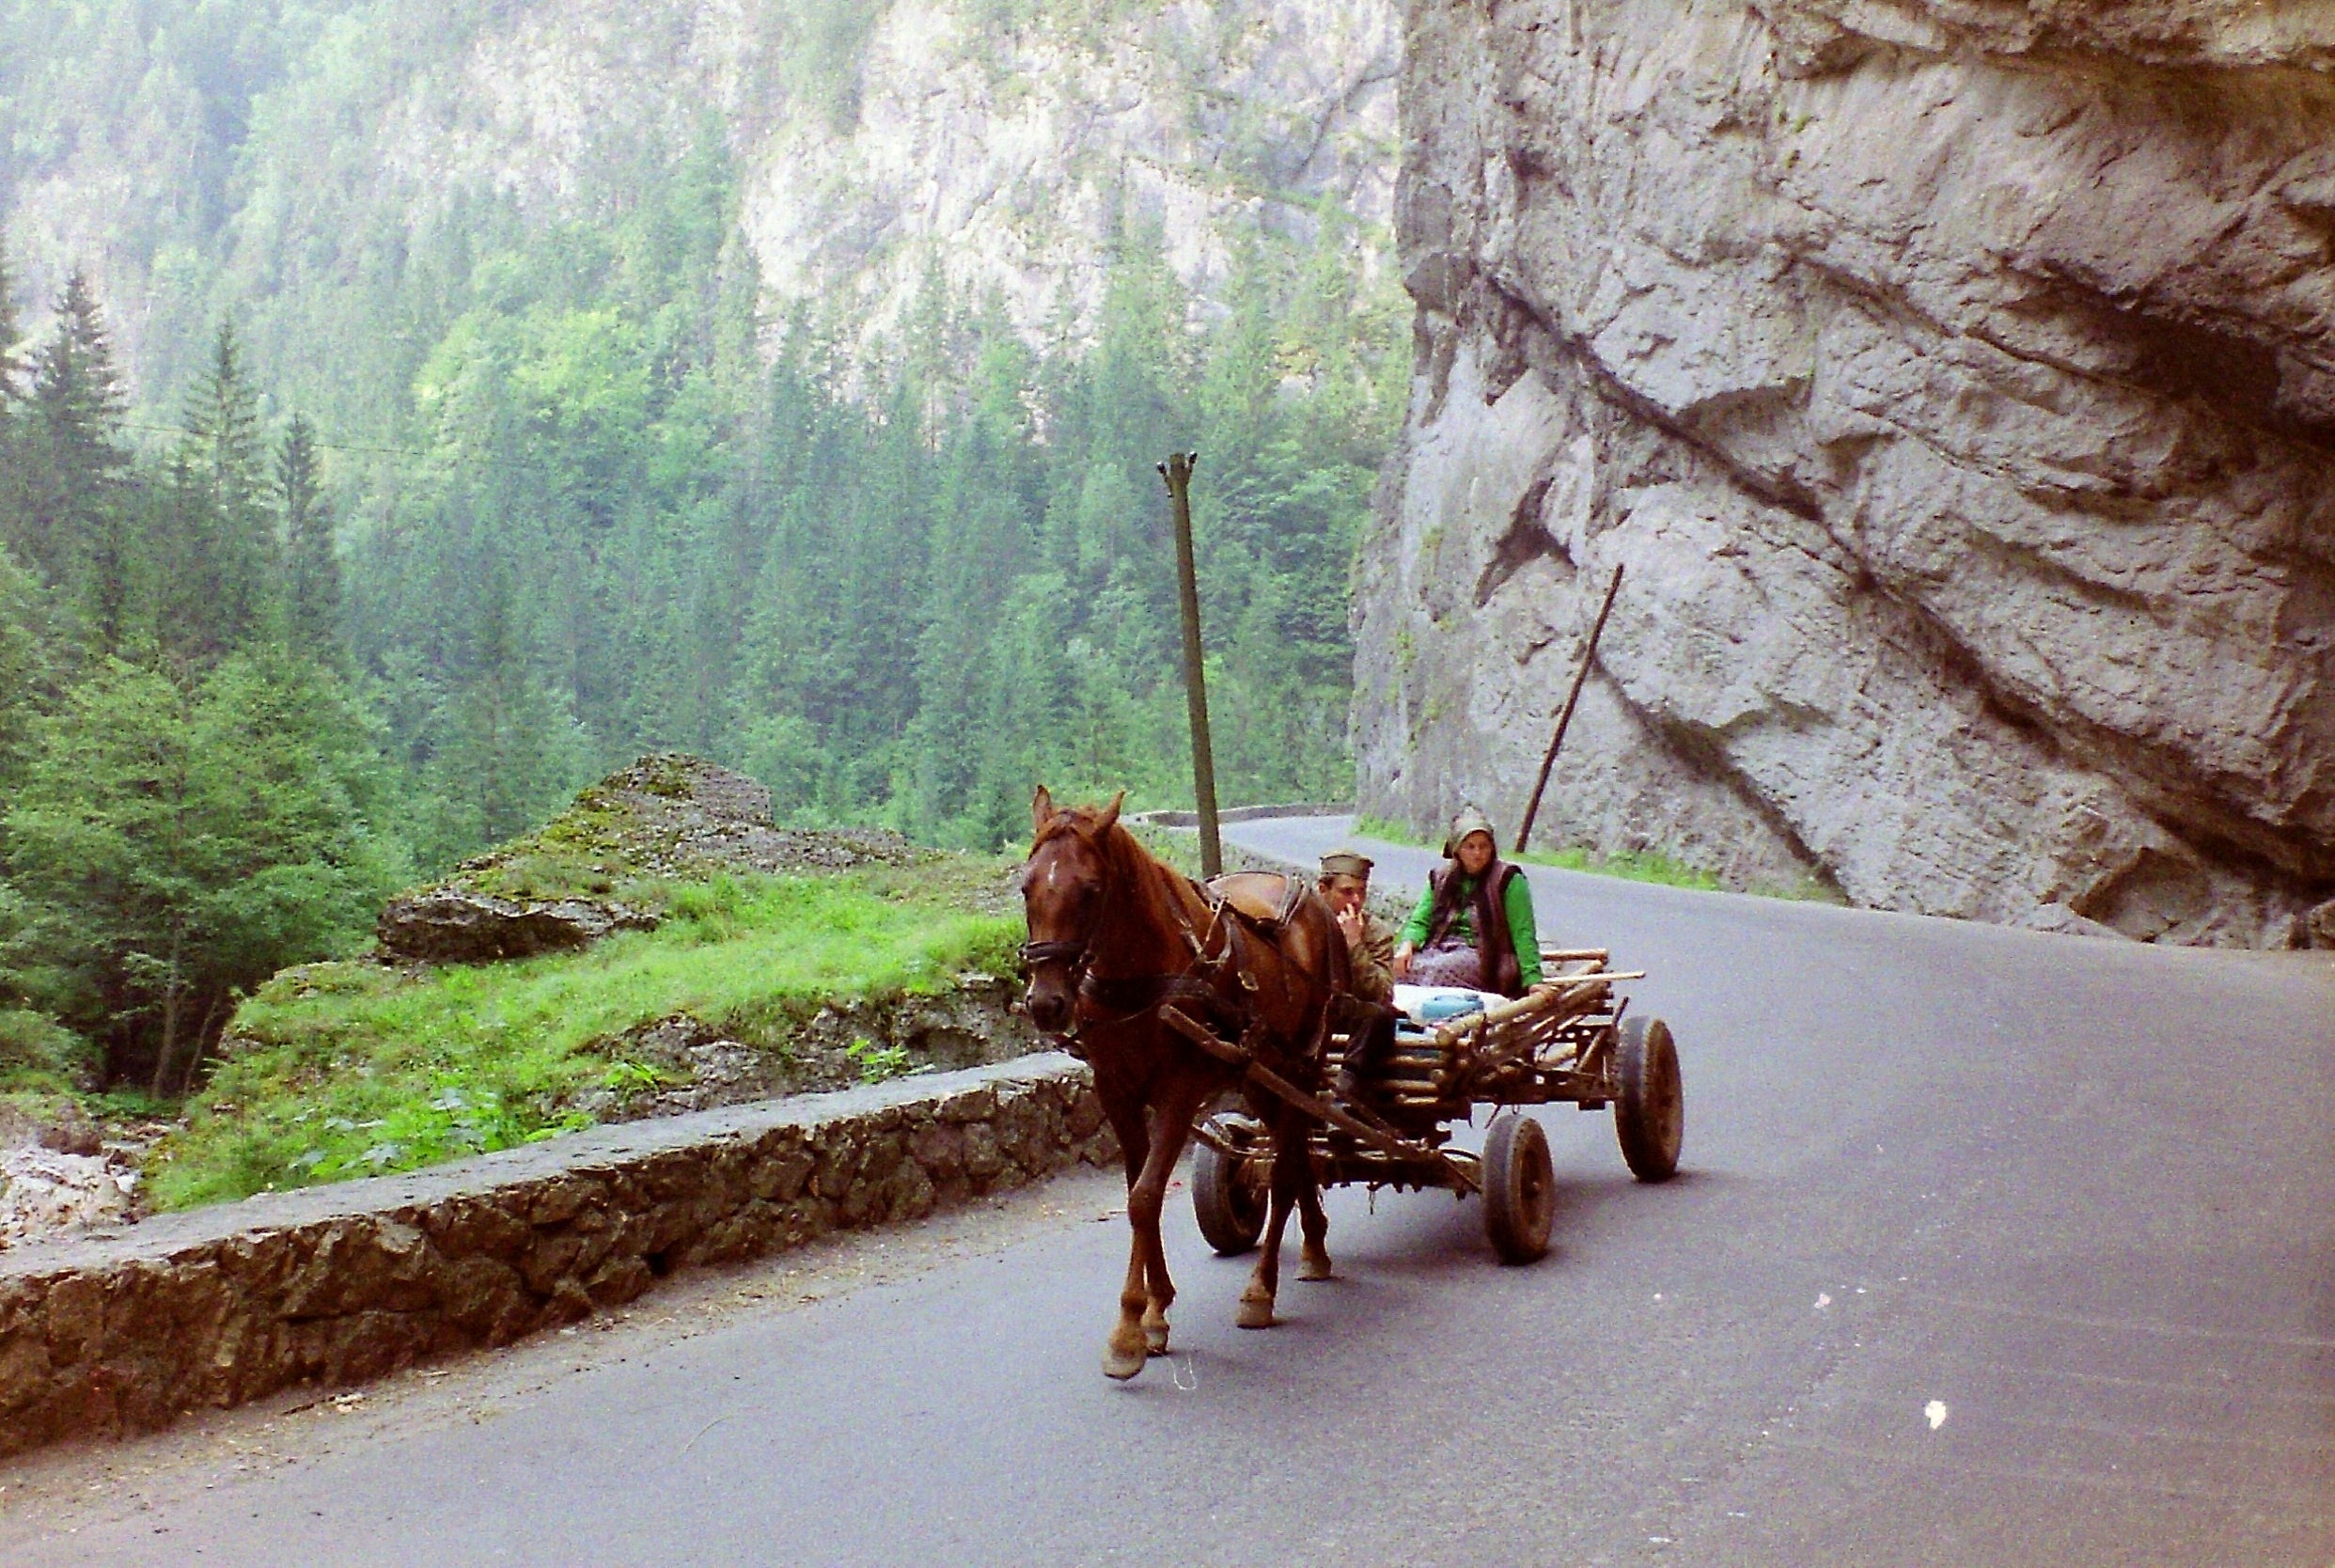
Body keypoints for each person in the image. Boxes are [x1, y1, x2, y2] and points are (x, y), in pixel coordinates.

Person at [1393, 806, 1544, 997]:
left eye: (1484, 846)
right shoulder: (1440, 878)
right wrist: (1407, 946)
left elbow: (1523, 933)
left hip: (1485, 956)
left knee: (1437, 970)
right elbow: (1420, 920)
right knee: (1403, 969)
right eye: (1470, 847)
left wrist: (1533, 980)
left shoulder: (1508, 879)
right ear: (1457, 850)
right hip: (1440, 949)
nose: (1478, 853)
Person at [1318, 849, 1396, 1006]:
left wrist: (1354, 945)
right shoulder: (1306, 922)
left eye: (1362, 892)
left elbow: (1382, 995)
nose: (1356, 900)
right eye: (1347, 892)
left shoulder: (1376, 932)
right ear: (1323, 890)